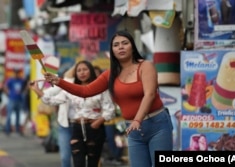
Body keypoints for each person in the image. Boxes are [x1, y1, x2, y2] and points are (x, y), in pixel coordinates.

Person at [43, 30, 173, 167]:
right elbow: (85, 91)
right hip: (133, 130)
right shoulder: (110, 75)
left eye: (125, 43)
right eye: (116, 45)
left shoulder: (145, 66)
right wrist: (59, 81)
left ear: (132, 47)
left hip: (157, 125)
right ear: (112, 51)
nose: (121, 47)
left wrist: (137, 119)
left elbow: (150, 94)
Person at [30, 60, 115, 167]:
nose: (82, 72)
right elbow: (52, 100)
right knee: (77, 162)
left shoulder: (101, 88)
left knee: (93, 163)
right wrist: (37, 90)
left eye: (85, 69)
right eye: (78, 70)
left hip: (95, 129)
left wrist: (97, 122)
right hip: (76, 128)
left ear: (91, 71)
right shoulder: (71, 89)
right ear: (75, 74)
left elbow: (110, 110)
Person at [3, 69, 26, 136]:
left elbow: (25, 86)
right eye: (15, 73)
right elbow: (5, 87)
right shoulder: (11, 80)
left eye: (17, 73)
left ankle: (17, 130)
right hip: (12, 99)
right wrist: (8, 94)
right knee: (9, 115)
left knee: (18, 116)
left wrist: (23, 92)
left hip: (19, 100)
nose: (16, 74)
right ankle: (7, 130)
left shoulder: (21, 80)